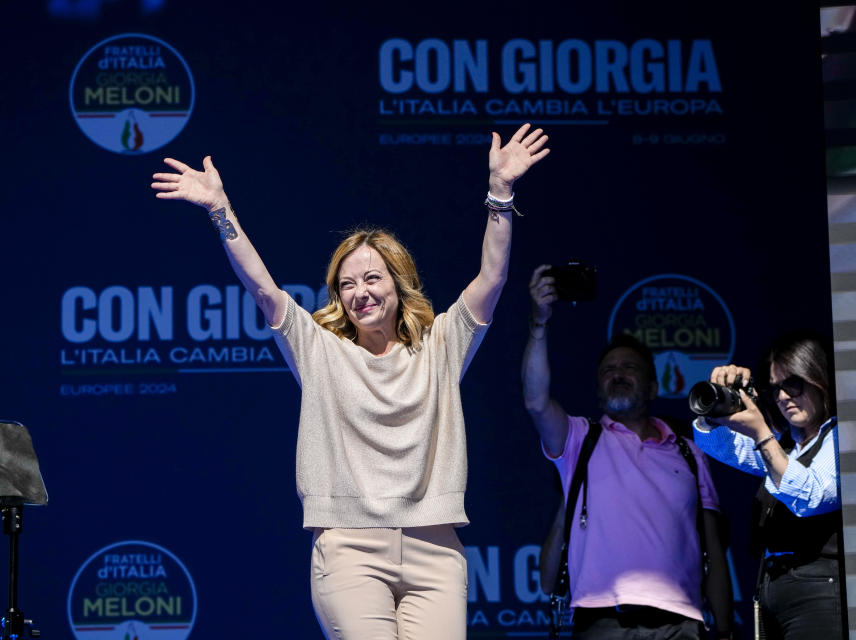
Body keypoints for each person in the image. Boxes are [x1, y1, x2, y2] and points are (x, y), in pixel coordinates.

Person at [150, 124, 550, 640]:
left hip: (436, 551)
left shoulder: (442, 346)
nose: (360, 292)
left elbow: (491, 280)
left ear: (398, 283)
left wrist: (500, 193)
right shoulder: (320, 351)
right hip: (349, 552)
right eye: (347, 283)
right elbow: (264, 290)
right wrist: (219, 209)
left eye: (372, 278)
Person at [522, 265, 732, 640]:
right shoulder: (580, 439)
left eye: (629, 368)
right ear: (598, 387)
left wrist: (726, 629)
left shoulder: (689, 453)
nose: (617, 373)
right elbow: (537, 401)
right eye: (608, 370)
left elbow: (714, 552)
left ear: (653, 387)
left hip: (682, 623)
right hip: (603, 620)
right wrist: (539, 324)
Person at [692, 332, 843, 639]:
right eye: (775, 389)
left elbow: (814, 496)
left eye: (793, 384)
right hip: (773, 592)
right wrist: (718, 410)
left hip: (820, 592)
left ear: (819, 379)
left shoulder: (841, 436)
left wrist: (761, 431)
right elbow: (720, 447)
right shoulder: (784, 444)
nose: (783, 397)